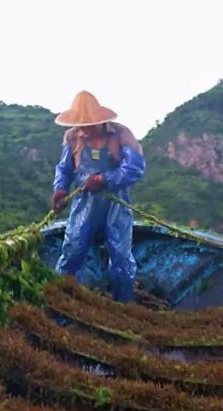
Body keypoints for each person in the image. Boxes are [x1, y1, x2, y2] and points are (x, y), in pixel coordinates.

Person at [51, 90, 145, 302]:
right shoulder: (72, 137)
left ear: (100, 121)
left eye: (88, 125)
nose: (83, 131)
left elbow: (135, 168)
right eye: (80, 126)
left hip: (116, 206)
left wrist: (104, 180)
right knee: (73, 250)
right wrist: (60, 189)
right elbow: (65, 169)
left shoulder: (121, 135)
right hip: (84, 205)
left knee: (121, 257)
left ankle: (123, 306)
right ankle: (60, 302)